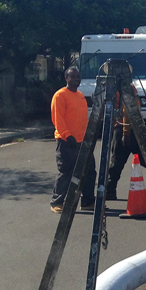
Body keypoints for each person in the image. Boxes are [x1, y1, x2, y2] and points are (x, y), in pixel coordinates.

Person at [50, 67, 96, 213]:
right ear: (66, 78)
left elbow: (83, 119)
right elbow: (58, 118)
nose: (77, 79)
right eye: (73, 77)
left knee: (89, 172)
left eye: (78, 77)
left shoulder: (81, 96)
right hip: (66, 142)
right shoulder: (60, 95)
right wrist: (67, 135)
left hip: (83, 141)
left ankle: (88, 201)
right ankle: (56, 202)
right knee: (66, 172)